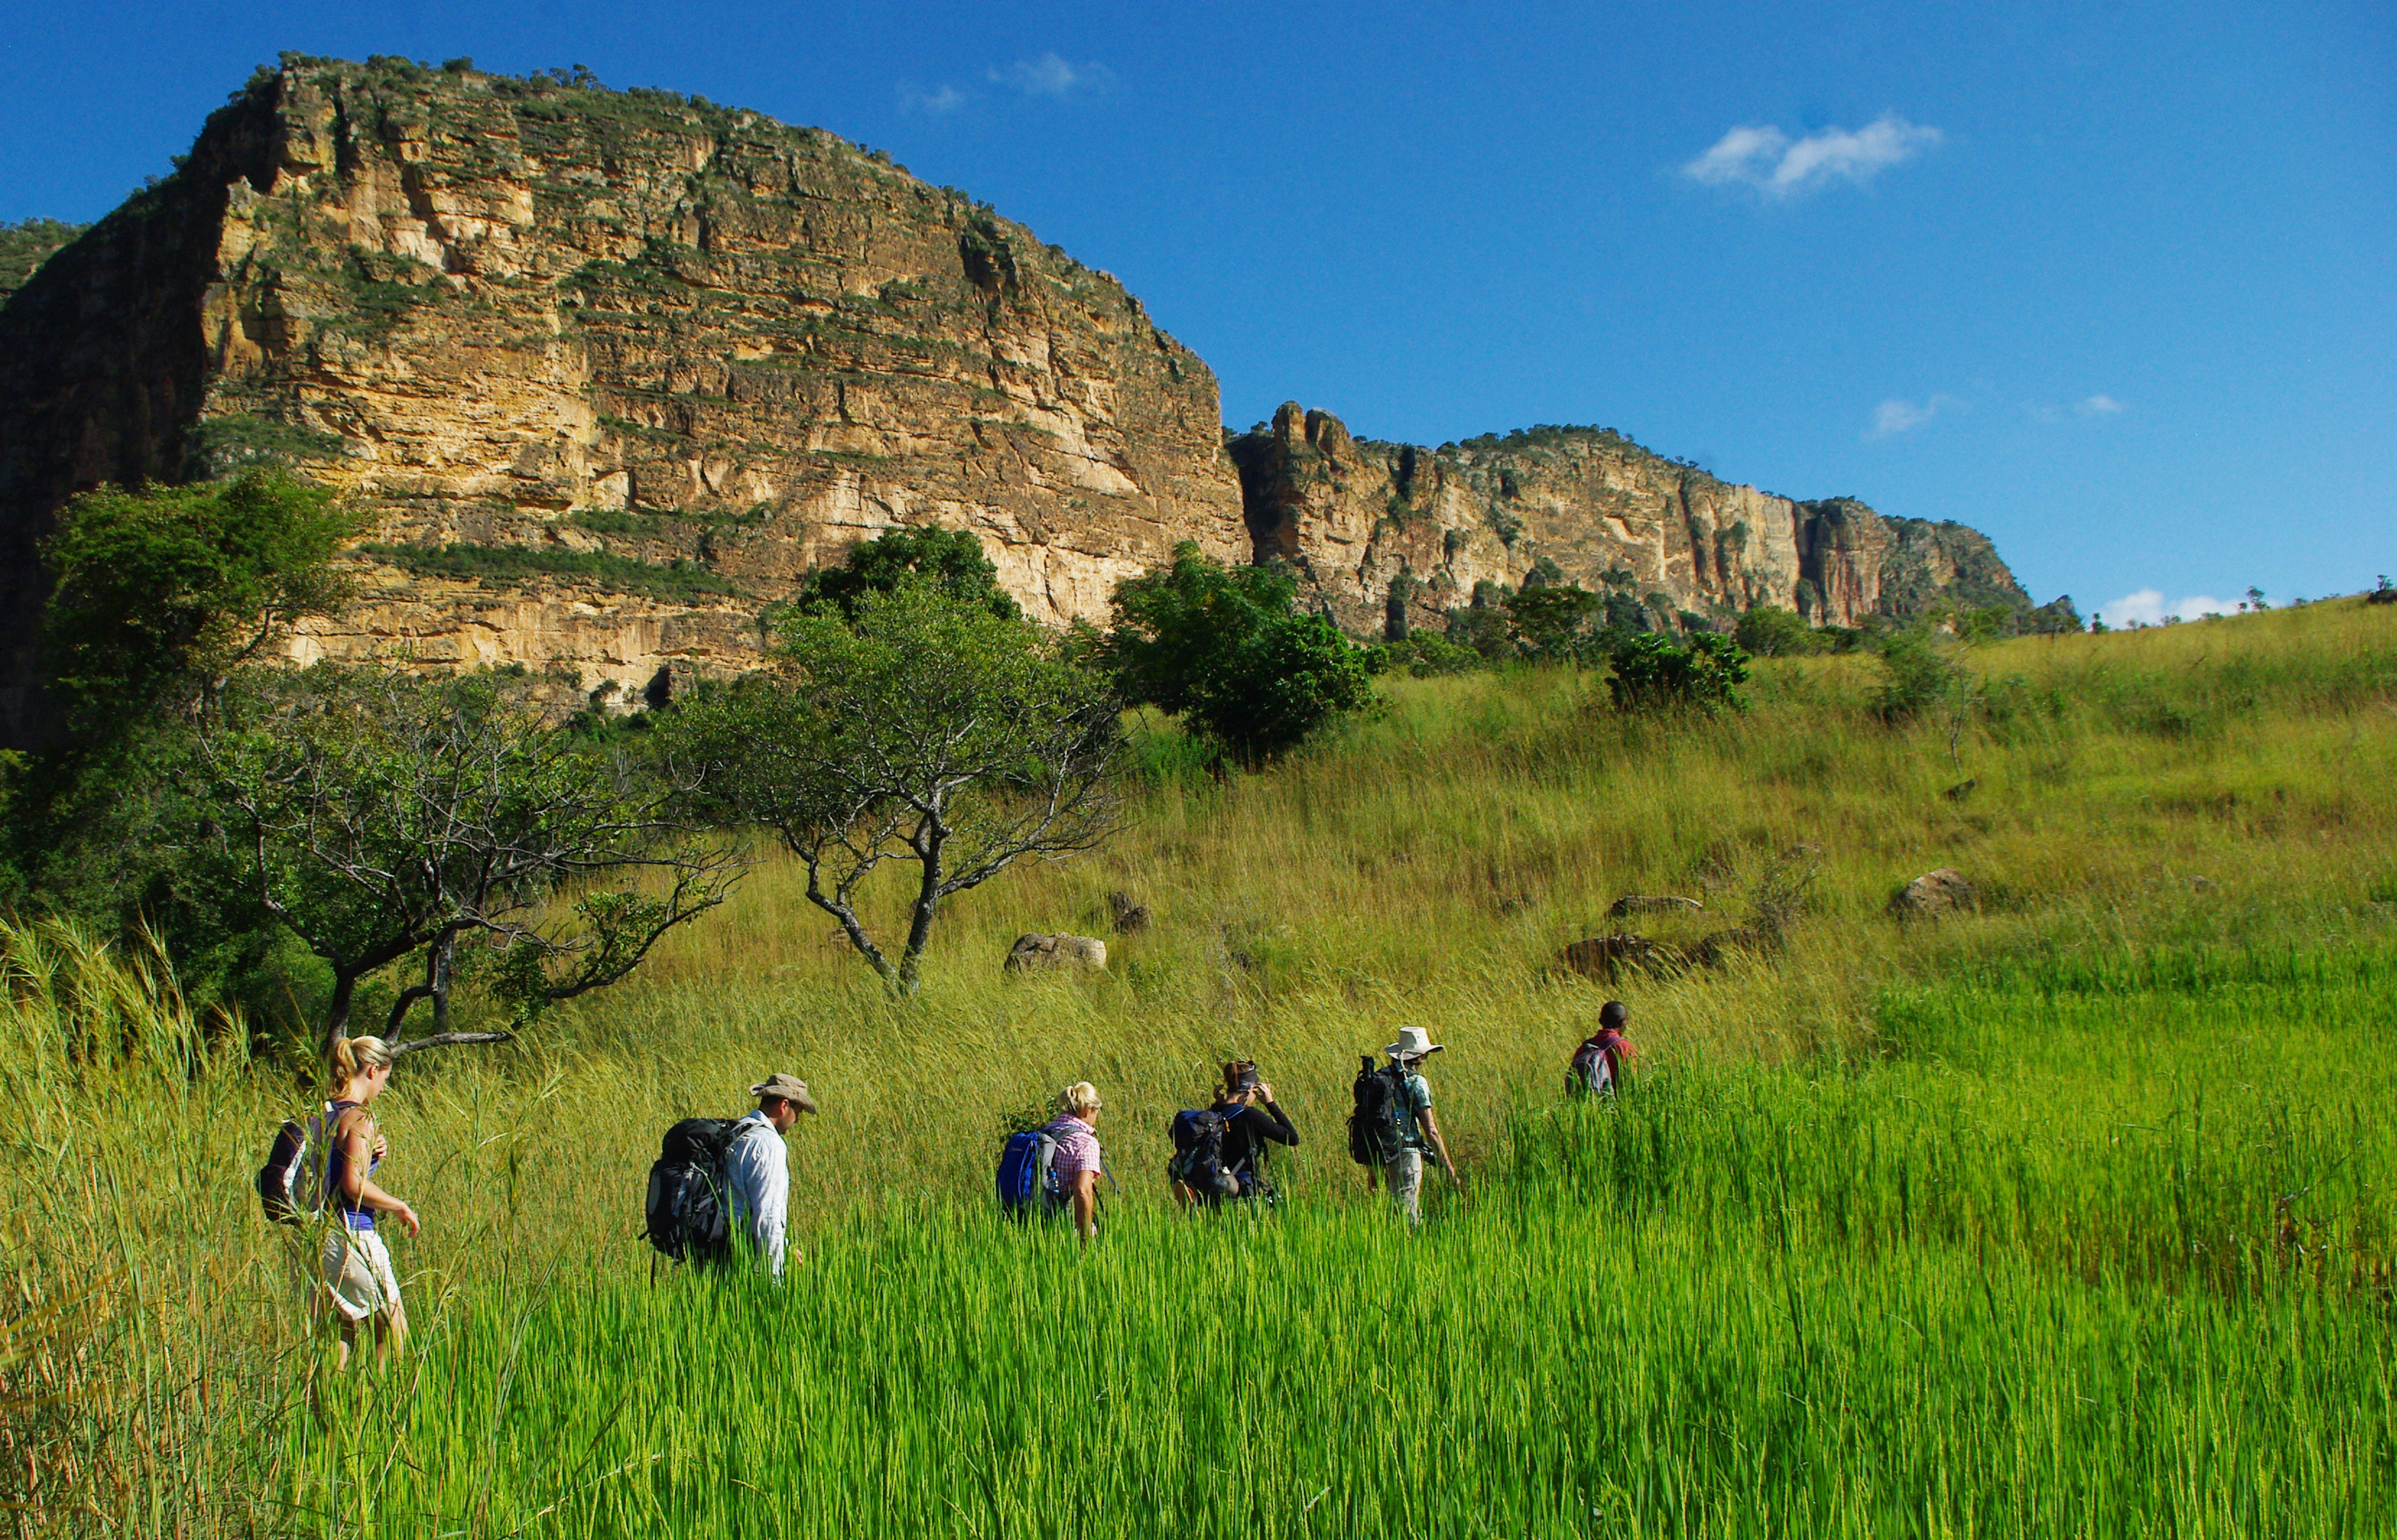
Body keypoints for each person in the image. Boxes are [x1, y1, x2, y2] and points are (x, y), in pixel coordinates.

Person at [316, 1034, 420, 1372]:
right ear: (373, 1071)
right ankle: (386, 1417)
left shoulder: (320, 1115)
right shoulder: (360, 1117)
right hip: (351, 1236)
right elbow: (352, 1185)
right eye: (385, 1080)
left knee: (338, 1338)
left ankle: (323, 1423)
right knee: (392, 1330)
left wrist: (370, 1152)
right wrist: (399, 1205)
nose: (383, 1089)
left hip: (314, 1238)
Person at [725, 1072, 819, 1278]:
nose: (797, 1121)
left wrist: (785, 1249)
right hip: (744, 1261)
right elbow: (768, 1217)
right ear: (784, 1106)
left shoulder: (736, 1131)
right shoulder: (769, 1144)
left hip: (716, 1255)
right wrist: (773, 1281)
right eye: (798, 1112)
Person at [1368, 1026, 1462, 1225]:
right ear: (1420, 1056)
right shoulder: (1416, 1082)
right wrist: (1448, 1168)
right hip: (1407, 1154)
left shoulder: (1380, 1079)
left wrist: (1373, 1171)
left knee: (1390, 1217)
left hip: (1382, 1155)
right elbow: (1431, 1131)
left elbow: (1375, 1123)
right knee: (1407, 1218)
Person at [1178, 1061, 1298, 1208]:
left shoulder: (1213, 1115)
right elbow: (1292, 1138)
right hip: (1242, 1191)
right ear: (1248, 1091)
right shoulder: (1250, 1115)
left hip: (1213, 1188)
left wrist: (1217, 1104)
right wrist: (1270, 1104)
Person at [1044, 1082, 1107, 1240]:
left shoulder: (1045, 1133)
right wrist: (1084, 1239)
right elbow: (1082, 1191)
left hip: (1032, 1219)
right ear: (1088, 1110)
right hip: (1063, 1227)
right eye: (1097, 1111)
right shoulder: (1086, 1143)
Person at [1567, 1001, 1638, 1098]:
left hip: (1588, 1108)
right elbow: (1632, 1085)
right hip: (1617, 1107)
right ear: (1622, 1022)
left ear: (1600, 1021)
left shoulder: (1584, 1048)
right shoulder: (1625, 1048)